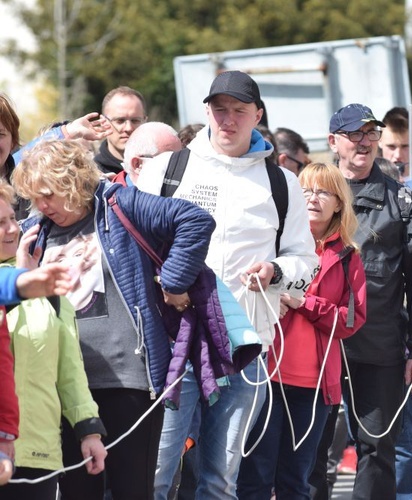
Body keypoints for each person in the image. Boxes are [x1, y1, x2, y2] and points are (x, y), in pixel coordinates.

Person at [136, 70, 317, 500]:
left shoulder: (282, 183)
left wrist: (274, 269)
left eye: (239, 110)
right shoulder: (168, 169)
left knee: (220, 481)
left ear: (258, 115)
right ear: (206, 112)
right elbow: (134, 247)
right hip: (173, 345)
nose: (228, 120)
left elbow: (305, 261)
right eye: (220, 110)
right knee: (155, 475)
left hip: (242, 348)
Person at [11, 139, 216, 499]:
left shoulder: (120, 205)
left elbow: (195, 221)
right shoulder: (35, 230)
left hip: (128, 381)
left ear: (71, 180)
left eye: (49, 194)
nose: (42, 206)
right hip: (65, 389)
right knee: (78, 493)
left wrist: (172, 281)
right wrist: (22, 273)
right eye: (35, 198)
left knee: (131, 490)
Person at [324, 103, 412, 499]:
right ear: (333, 141)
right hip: (318, 343)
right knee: (308, 445)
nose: (364, 142)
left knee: (376, 447)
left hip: (378, 345)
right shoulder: (310, 193)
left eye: (371, 134)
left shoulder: (402, 201)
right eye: (354, 134)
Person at [237, 163, 367, 499]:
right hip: (265, 375)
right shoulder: (271, 241)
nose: (312, 199)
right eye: (305, 190)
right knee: (254, 477)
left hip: (315, 387)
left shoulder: (348, 256)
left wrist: (303, 303)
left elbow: (351, 321)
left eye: (324, 191)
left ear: (339, 203)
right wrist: (272, 294)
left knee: (298, 481)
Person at [0, 181, 107, 498]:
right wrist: (21, 280)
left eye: (12, 219)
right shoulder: (25, 281)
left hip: (38, 451)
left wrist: (89, 431)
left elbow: (70, 370)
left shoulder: (48, 288)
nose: (11, 230)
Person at [96, 86, 148, 176]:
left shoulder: (159, 167)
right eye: (120, 121)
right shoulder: (92, 174)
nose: (128, 128)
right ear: (103, 122)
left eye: (135, 121)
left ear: (145, 121)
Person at [116, 122, 182, 186]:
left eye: (182, 159)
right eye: (171, 160)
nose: (181, 168)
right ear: (138, 165)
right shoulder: (111, 196)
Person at [380, 107, 412, 182]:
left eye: (405, 146)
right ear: (379, 141)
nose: (398, 155)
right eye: (391, 147)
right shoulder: (368, 181)